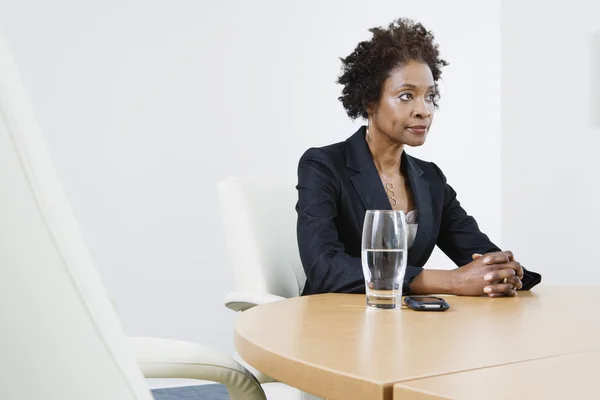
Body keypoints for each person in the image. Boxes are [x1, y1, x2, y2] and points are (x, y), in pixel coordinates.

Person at [295, 18, 541, 297]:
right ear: (369, 101)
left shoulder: (431, 179)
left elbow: (477, 253)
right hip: (330, 324)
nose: (423, 110)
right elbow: (324, 269)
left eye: (430, 97)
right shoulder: (324, 166)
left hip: (404, 326)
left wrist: (505, 272)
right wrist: (450, 282)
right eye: (406, 96)